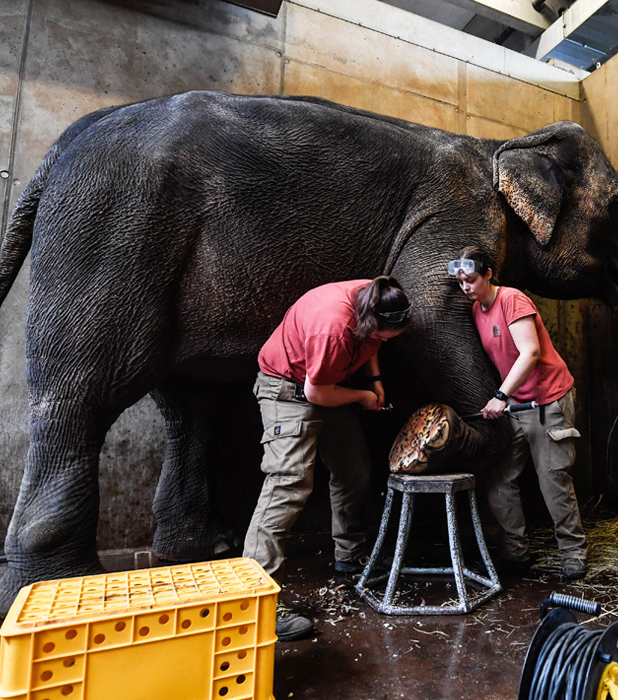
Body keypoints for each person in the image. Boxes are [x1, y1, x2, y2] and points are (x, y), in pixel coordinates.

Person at [245, 276, 412, 641]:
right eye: (383, 336)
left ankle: (349, 556)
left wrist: (376, 379)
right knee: (287, 486)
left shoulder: (377, 294)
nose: (382, 342)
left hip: (326, 384)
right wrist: (361, 398)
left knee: (354, 471)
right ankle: (258, 603)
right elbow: (316, 392)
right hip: (289, 391)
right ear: (370, 323)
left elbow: (372, 342)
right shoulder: (332, 329)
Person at [450, 246, 588, 581]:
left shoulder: (512, 300)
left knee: (552, 480)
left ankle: (573, 552)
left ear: (488, 275)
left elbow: (530, 352)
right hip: (515, 406)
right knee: (500, 478)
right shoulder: (476, 310)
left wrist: (500, 396)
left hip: (547, 401)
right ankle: (515, 551)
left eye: (471, 279)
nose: (465, 287)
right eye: (460, 282)